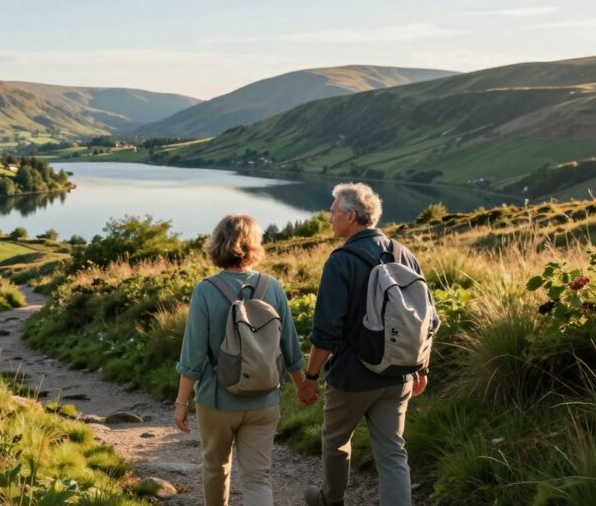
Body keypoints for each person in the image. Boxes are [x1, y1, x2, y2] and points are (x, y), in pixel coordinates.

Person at [298, 183, 429, 506]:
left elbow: (326, 332)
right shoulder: (404, 254)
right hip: (399, 373)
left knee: (336, 440)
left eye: (333, 212)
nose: (329, 218)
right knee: (392, 451)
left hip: (353, 377)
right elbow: (426, 319)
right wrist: (421, 367)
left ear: (351, 216)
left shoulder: (341, 261)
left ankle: (332, 499)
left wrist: (310, 378)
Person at [174, 213, 308, 506]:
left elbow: (193, 356)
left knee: (216, 469)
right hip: (264, 399)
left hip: (217, 400)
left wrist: (182, 402)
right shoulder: (271, 287)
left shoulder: (206, 290)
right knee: (258, 477)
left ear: (217, 244)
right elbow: (291, 347)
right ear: (254, 245)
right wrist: (302, 386)